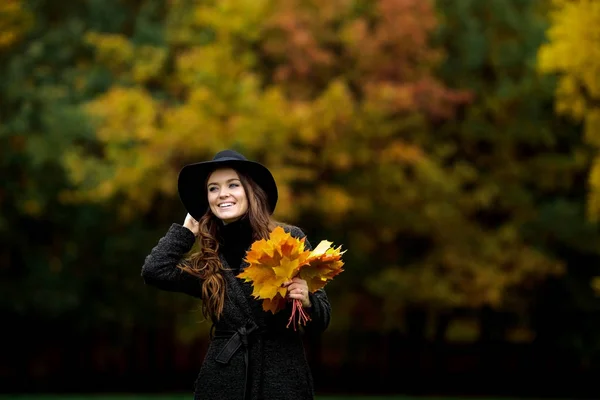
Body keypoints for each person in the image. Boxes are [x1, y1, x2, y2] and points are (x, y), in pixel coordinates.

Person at [141, 149, 331, 400]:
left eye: (233, 185)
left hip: (282, 377)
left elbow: (322, 319)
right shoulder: (209, 258)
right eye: (213, 188)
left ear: (250, 192)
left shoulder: (288, 240)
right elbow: (155, 270)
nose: (223, 194)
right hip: (223, 378)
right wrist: (187, 231)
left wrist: (307, 300)